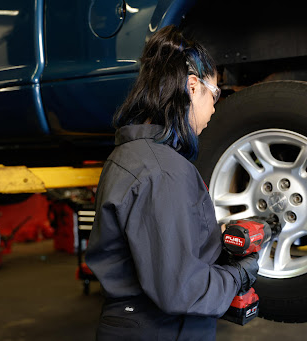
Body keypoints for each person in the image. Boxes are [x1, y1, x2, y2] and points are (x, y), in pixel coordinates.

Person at [85, 25, 259, 341]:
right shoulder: (164, 171)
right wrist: (237, 275)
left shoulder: (129, 157)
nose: (215, 106)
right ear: (193, 87)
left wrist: (209, 238)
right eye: (215, 93)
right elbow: (180, 290)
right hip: (163, 330)